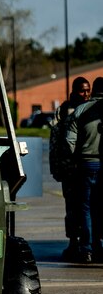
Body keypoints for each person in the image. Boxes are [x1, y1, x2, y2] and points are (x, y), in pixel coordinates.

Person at [49, 76, 91, 260]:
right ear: (73, 91)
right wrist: (56, 168)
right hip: (69, 170)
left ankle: (87, 243)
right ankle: (73, 242)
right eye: (82, 90)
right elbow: (55, 141)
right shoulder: (64, 111)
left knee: (87, 207)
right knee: (72, 208)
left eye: (88, 90)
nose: (86, 94)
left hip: (86, 166)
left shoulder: (92, 109)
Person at [65, 77, 103, 263]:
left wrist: (76, 157)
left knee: (86, 208)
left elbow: (69, 140)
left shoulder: (81, 110)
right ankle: (99, 245)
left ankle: (87, 249)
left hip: (86, 164)